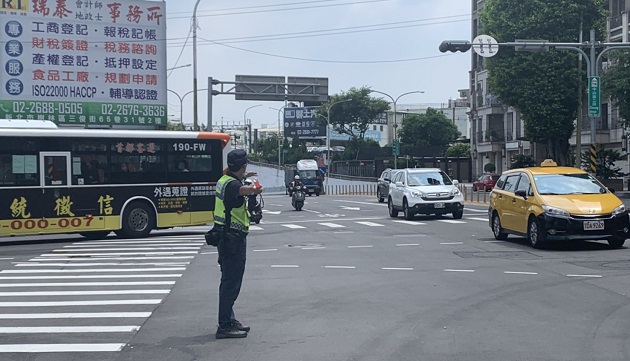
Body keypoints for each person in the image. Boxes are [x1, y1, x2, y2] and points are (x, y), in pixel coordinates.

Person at [213, 149, 263, 339]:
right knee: (231, 283)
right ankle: (225, 325)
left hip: (225, 238)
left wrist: (243, 175)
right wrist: (255, 189)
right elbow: (241, 190)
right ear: (242, 166)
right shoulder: (233, 185)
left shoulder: (223, 180)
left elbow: (232, 178)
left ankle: (228, 319)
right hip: (232, 239)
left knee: (228, 281)